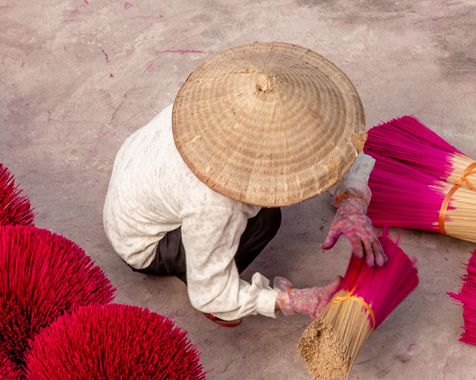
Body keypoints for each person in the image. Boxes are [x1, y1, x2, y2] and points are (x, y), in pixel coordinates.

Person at [102, 41, 384, 327]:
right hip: (143, 242)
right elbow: (208, 293)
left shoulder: (223, 97)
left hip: (138, 174)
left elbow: (322, 140)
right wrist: (288, 300)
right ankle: (210, 288)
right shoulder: (214, 201)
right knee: (265, 220)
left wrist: (352, 199)